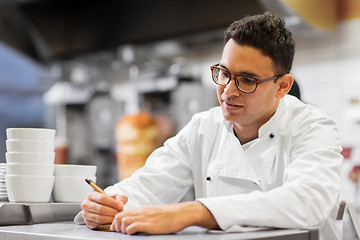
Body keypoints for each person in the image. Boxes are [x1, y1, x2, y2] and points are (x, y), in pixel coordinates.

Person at [77, 12, 343, 240]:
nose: (228, 91)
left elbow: (307, 201)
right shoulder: (204, 126)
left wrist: (195, 212)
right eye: (224, 73)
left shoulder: (312, 126)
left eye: (247, 80)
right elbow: (148, 185)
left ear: (282, 86)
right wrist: (109, 202)